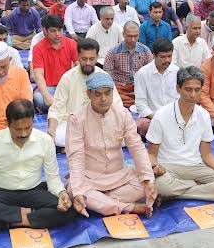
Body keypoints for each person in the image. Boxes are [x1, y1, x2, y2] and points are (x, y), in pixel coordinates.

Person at [0, 99, 76, 236]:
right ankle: (31, 215)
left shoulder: (45, 141)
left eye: (27, 128)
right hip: (1, 191)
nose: (23, 134)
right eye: (18, 129)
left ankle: (6, 222)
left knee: (69, 208)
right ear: (7, 124)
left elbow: (52, 178)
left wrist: (61, 193)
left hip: (33, 189)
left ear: (33, 122)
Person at [66, 72, 157, 217]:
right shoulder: (77, 119)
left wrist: (148, 179)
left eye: (108, 93)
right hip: (90, 178)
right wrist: (78, 192)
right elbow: (75, 156)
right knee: (74, 189)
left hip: (119, 176)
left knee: (145, 183)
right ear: (88, 94)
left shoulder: (123, 114)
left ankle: (102, 203)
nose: (104, 99)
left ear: (113, 92)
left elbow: (137, 147)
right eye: (98, 94)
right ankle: (128, 207)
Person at [147, 66, 214, 201]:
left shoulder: (203, 115)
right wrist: (155, 168)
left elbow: (207, 154)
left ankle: (174, 194)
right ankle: (186, 187)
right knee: (162, 185)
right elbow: (151, 154)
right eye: (188, 89)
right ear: (178, 88)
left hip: (195, 166)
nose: (193, 95)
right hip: (169, 167)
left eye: (197, 90)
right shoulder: (161, 115)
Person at [47, 39, 122, 147]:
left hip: (100, 123)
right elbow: (57, 108)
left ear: (97, 57)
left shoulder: (104, 77)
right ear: (78, 56)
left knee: (122, 135)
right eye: (84, 59)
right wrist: (52, 129)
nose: (88, 63)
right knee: (56, 138)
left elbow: (117, 105)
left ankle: (81, 145)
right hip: (72, 124)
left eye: (91, 59)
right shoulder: (68, 77)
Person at [31, 14, 78, 113]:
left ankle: (58, 108)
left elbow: (78, 65)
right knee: (39, 98)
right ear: (45, 31)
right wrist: (46, 96)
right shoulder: (38, 48)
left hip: (67, 85)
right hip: (49, 87)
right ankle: (66, 107)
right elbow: (38, 75)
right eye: (53, 31)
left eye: (60, 30)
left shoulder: (71, 43)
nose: (57, 34)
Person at [133, 38, 180, 137]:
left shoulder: (176, 71)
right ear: (154, 55)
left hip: (174, 117)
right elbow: (141, 104)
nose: (167, 60)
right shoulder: (143, 73)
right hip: (152, 118)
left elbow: (180, 98)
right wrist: (158, 119)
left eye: (169, 56)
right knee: (143, 126)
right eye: (162, 57)